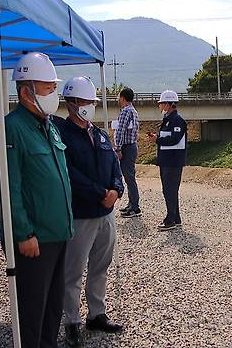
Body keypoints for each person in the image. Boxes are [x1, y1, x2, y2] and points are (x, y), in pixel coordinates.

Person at [0, 52, 73, 348]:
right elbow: (9, 187)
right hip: (34, 241)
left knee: (53, 310)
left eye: (54, 87)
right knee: (31, 313)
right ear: (26, 92)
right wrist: (23, 232)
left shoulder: (48, 124)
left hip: (58, 234)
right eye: (47, 87)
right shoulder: (11, 128)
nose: (53, 93)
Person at [57, 76, 125, 347]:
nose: (89, 106)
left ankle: (96, 314)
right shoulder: (63, 136)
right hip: (82, 213)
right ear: (72, 103)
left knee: (100, 267)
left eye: (92, 102)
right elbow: (70, 174)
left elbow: (114, 167)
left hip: (105, 215)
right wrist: (101, 194)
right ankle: (71, 321)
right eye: (85, 102)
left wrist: (117, 190)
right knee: (73, 271)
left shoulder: (99, 134)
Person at [146, 90, 187, 231]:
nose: (160, 106)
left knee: (170, 190)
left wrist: (157, 139)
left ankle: (170, 220)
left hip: (173, 162)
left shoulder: (177, 120)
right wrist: (156, 138)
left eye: (162, 103)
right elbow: (167, 137)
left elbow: (174, 139)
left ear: (169, 104)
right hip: (166, 161)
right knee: (169, 190)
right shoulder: (168, 120)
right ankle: (175, 218)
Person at [114, 87, 141, 218]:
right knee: (129, 176)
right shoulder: (134, 111)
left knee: (129, 177)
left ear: (123, 98)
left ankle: (135, 207)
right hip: (132, 146)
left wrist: (118, 148)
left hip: (126, 147)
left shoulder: (125, 111)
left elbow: (121, 130)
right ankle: (132, 204)